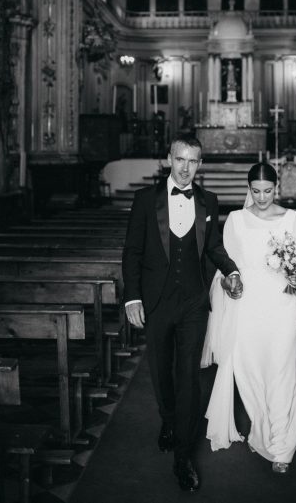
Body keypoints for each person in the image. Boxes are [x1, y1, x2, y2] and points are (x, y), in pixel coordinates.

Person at [122, 135, 243, 492]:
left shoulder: (209, 200)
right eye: (180, 160)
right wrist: (132, 298)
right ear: (169, 159)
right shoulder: (146, 200)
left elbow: (214, 246)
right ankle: (169, 420)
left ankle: (184, 456)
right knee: (161, 372)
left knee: (188, 374)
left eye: (193, 161)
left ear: (200, 163)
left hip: (193, 301)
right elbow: (132, 252)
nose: (186, 168)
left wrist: (232, 270)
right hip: (157, 301)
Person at [201, 162, 296, 473]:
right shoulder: (235, 220)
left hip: (282, 306)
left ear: (277, 188)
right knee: (250, 373)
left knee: (281, 372)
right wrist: (228, 283)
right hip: (247, 306)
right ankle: (261, 431)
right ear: (248, 189)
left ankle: (281, 447)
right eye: (256, 191)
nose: (262, 197)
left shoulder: (292, 218)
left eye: (268, 191)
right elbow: (227, 268)